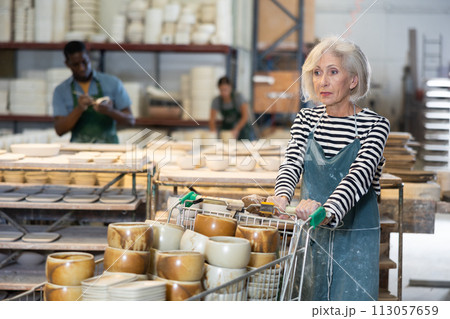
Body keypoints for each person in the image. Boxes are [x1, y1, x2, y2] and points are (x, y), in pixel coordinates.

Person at [267, 37, 390, 301]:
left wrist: (327, 212)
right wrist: (281, 196)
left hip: (355, 240)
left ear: (353, 80)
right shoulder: (306, 119)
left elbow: (358, 177)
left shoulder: (375, 126)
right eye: (317, 72)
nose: (322, 81)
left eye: (333, 72)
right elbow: (291, 162)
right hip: (313, 235)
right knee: (310, 299)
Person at [52, 41, 135, 143]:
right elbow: (60, 130)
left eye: (84, 62)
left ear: (89, 57)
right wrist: (79, 109)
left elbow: (130, 121)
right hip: (78, 150)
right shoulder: (61, 90)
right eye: (75, 65)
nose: (82, 68)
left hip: (109, 149)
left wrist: (110, 111)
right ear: (67, 64)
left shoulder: (113, 83)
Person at [209, 76, 254, 140]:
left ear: (230, 88)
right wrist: (213, 131)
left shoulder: (238, 97)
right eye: (221, 90)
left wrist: (236, 129)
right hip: (227, 129)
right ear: (218, 88)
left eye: (226, 90)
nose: (224, 92)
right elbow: (212, 120)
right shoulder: (216, 100)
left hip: (242, 131)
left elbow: (245, 117)